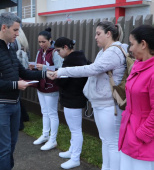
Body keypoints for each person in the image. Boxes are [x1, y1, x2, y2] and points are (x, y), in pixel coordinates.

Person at [50, 21, 126, 170]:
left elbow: (92, 69)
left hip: (110, 106)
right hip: (102, 103)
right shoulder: (105, 51)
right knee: (106, 140)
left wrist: (62, 72)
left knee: (111, 143)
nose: (95, 37)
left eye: (98, 34)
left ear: (108, 34)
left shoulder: (113, 52)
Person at [0, 12, 51, 170]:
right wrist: (15, 85)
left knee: (11, 145)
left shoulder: (10, 47)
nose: (18, 34)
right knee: (4, 148)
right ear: (4, 28)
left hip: (14, 103)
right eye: (15, 30)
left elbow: (23, 72)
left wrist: (46, 74)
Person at [118, 25, 154, 170]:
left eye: (132, 44)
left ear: (143, 44)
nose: (130, 49)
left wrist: (142, 133)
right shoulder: (138, 66)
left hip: (143, 140)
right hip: (129, 135)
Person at [54, 37, 88, 169]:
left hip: (73, 98)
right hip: (73, 98)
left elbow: (64, 80)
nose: (57, 53)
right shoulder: (78, 58)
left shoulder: (72, 60)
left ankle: (75, 158)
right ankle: (72, 151)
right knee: (74, 129)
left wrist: (55, 77)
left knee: (76, 130)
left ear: (66, 48)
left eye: (58, 50)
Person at [29, 28, 63, 151]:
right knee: (44, 112)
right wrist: (33, 66)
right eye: (39, 42)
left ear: (50, 40)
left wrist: (45, 67)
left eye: (43, 41)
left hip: (51, 87)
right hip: (41, 86)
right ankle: (45, 135)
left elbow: (60, 69)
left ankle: (52, 140)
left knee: (52, 113)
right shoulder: (39, 52)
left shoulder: (54, 52)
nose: (41, 44)